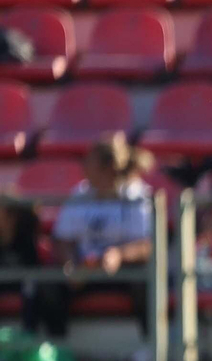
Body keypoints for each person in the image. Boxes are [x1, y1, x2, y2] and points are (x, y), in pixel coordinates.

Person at [52, 133, 153, 333]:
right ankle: (57, 349)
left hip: (124, 272)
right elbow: (61, 239)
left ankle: (150, 346)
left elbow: (147, 246)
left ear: (108, 169)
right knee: (46, 286)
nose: (84, 167)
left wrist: (119, 255)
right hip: (86, 271)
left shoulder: (137, 195)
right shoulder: (80, 194)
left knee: (148, 284)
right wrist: (71, 264)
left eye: (90, 161)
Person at [0, 197, 66, 338]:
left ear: (12, 216)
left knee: (32, 287)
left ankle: (29, 338)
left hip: (25, 284)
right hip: (4, 283)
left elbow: (32, 268)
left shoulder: (26, 239)